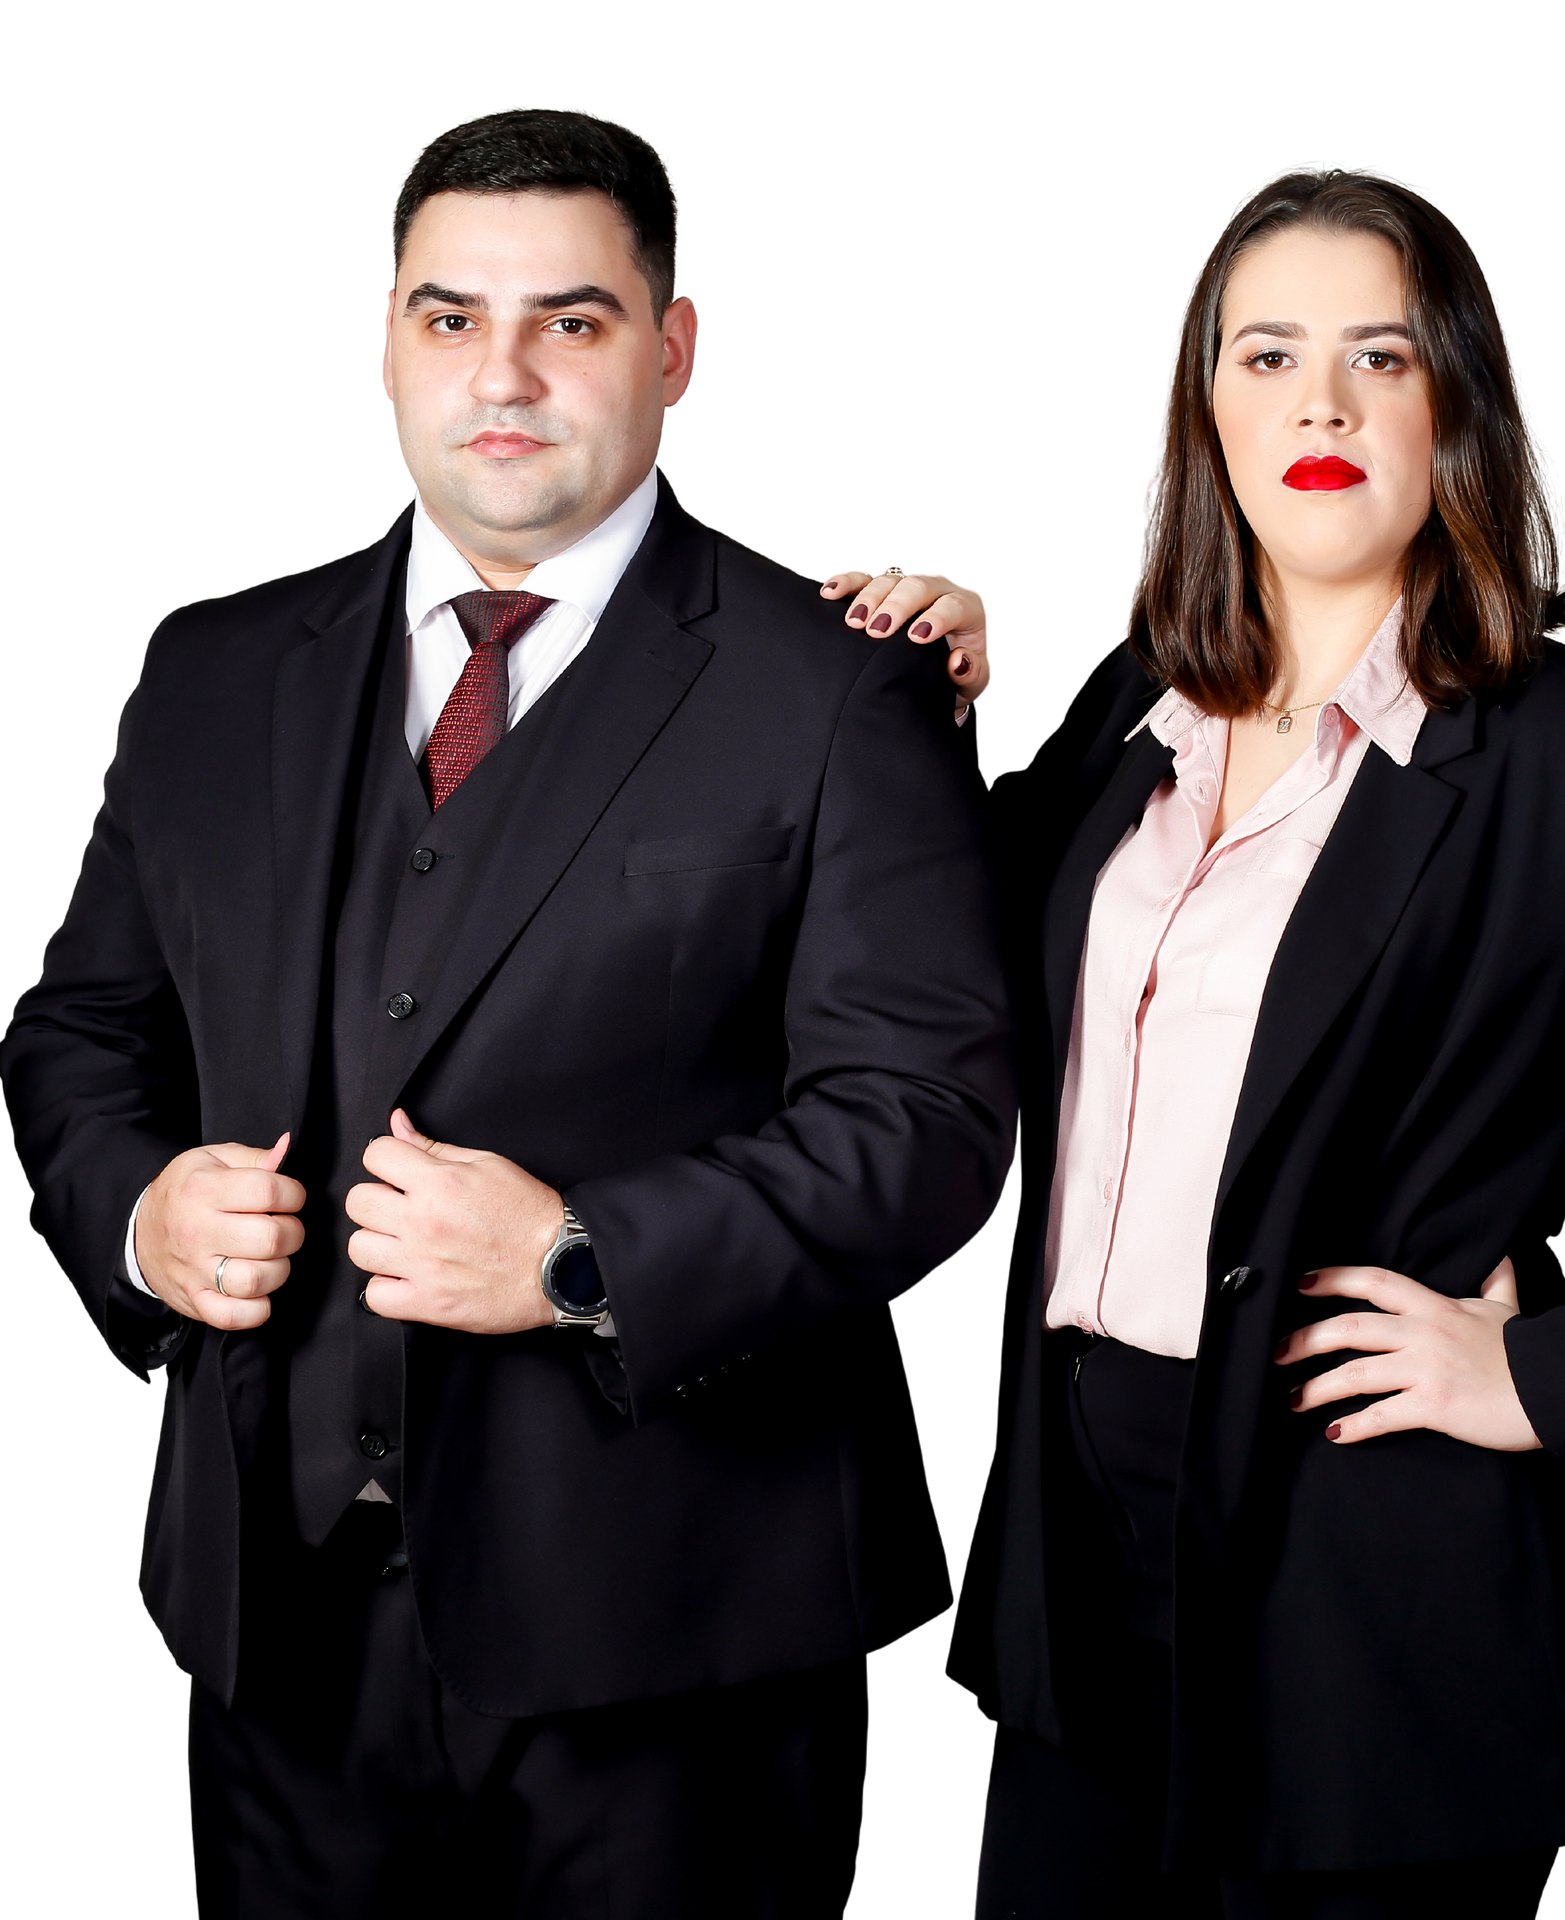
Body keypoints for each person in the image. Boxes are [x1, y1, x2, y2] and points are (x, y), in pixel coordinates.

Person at [823, 158, 1565, 1918]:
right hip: (1079, 1554)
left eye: (1379, 358)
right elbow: (963, 997)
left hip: (1375, 1577)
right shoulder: (1134, 707)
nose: (1318, 405)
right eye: (1266, 356)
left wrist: (1556, 1366)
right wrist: (918, 726)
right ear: (1206, 414)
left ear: (1456, 408)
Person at [0, 103, 1016, 1917]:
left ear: (675, 348)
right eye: (453, 317)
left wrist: (578, 1259)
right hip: (277, 1626)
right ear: (386, 344)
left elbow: (932, 1128)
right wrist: (142, 1216)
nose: (507, 375)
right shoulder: (208, 668)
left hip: (684, 1639)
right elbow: (78, 1035)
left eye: (574, 319)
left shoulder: (841, 686)